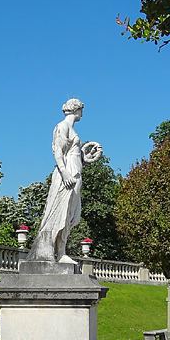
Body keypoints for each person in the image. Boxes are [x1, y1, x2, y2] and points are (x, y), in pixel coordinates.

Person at [27, 98, 103, 264]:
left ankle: (61, 252)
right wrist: (64, 173)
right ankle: (53, 252)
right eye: (81, 109)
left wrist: (85, 158)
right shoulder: (62, 126)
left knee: (70, 215)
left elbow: (73, 154)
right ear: (76, 110)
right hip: (66, 176)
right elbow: (58, 152)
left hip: (75, 173)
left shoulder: (72, 129)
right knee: (60, 214)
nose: (82, 113)